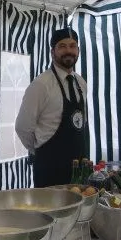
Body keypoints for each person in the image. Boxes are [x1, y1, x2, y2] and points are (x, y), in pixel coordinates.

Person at [15, 27, 89, 187]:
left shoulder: (81, 83)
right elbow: (22, 127)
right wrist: (41, 150)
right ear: (52, 51)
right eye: (62, 46)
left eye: (72, 46)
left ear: (78, 50)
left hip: (78, 169)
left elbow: (80, 122)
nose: (68, 50)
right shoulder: (41, 85)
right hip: (50, 169)